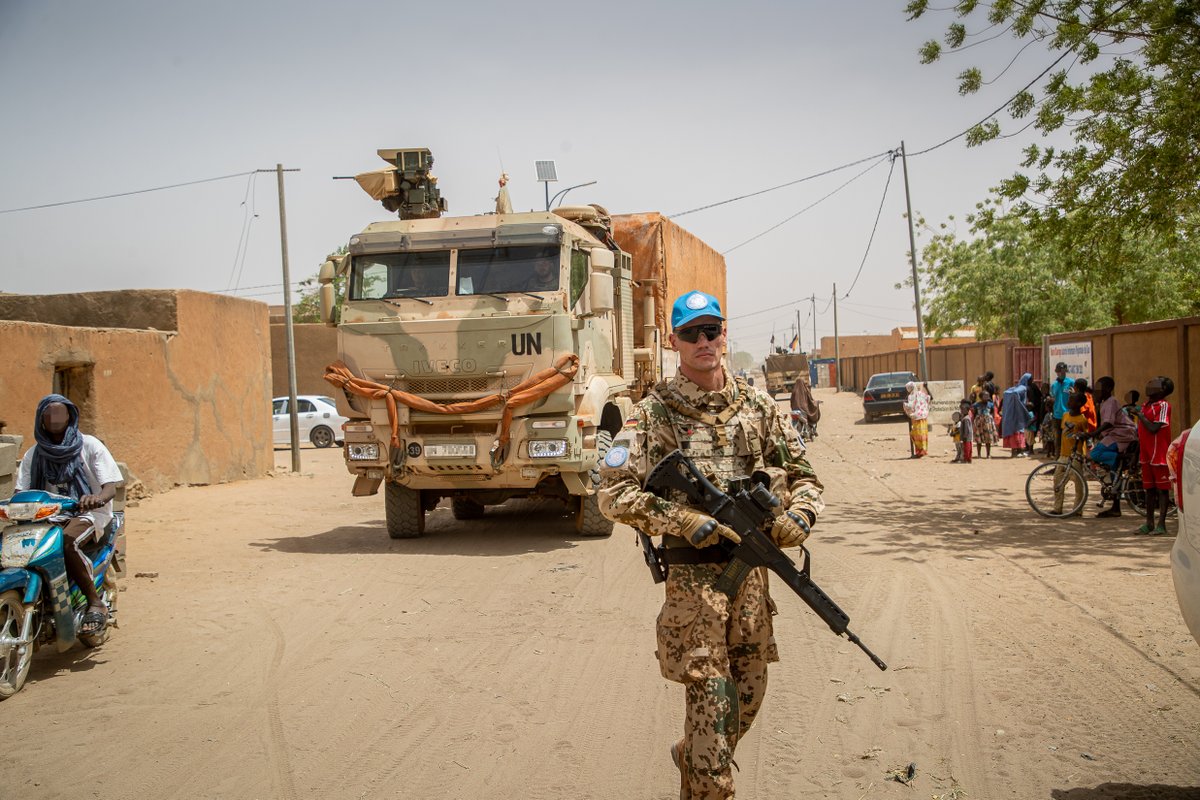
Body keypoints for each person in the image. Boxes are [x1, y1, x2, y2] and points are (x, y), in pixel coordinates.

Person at [597, 290, 823, 800]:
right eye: (692, 333)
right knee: (712, 702)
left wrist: (799, 518)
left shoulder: (760, 405)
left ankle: (694, 754)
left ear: (725, 333)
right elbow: (610, 493)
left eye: (713, 330)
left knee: (748, 694)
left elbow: (807, 476)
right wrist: (681, 518)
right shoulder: (652, 414)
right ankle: (707, 781)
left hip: (750, 580)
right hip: (693, 587)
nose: (705, 341)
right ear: (674, 341)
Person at [15, 395, 123, 634]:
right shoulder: (33, 455)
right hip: (45, 517)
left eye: (59, 413)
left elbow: (110, 486)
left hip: (89, 515)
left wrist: (96, 499)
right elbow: (19, 492)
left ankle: (95, 603)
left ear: (70, 416)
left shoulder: (90, 445)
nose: (54, 418)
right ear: (40, 418)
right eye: (48, 413)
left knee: (66, 541)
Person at [1090, 376, 1138, 518]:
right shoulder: (1104, 403)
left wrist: (1093, 433)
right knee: (1114, 474)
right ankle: (1116, 508)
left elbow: (1109, 423)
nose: (1096, 394)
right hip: (1114, 435)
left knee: (1094, 454)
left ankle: (1120, 457)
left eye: (1099, 390)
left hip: (1121, 434)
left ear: (1108, 390)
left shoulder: (1111, 402)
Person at [1134, 376, 1174, 535]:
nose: (1150, 384)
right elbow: (1142, 433)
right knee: (1149, 489)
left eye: (1156, 382)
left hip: (1159, 455)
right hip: (1146, 454)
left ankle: (1161, 525)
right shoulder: (1145, 405)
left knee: (1162, 490)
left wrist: (1140, 415)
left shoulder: (1164, 406)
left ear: (1163, 389)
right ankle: (1149, 523)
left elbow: (1153, 428)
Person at [1053, 392, 1090, 516]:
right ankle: (1057, 508)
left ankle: (1077, 509)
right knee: (1057, 480)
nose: (1069, 402)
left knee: (1078, 484)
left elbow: (1086, 436)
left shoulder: (1082, 420)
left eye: (1072, 400)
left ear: (1079, 404)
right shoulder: (1065, 415)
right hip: (1063, 454)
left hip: (1076, 455)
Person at [1000, 373, 1033, 457]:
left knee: (1016, 431)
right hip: (1018, 413)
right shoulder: (1023, 388)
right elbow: (1014, 393)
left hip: (1013, 413)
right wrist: (1020, 405)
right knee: (1018, 430)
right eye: (1030, 380)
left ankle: (1017, 451)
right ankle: (1016, 452)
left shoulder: (1016, 387)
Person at [1048, 362, 1076, 460]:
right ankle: (1057, 462)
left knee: (1068, 440)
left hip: (1068, 415)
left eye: (1063, 371)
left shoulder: (1071, 382)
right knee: (1057, 441)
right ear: (1057, 372)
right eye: (1059, 372)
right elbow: (1052, 397)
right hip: (1057, 416)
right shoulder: (1054, 385)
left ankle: (1068, 462)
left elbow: (1075, 396)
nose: (1061, 373)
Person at [902, 380, 931, 458]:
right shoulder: (921, 394)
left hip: (917, 418)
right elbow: (929, 398)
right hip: (923, 418)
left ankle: (919, 452)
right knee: (922, 434)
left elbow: (910, 406)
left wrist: (904, 405)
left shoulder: (911, 396)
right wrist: (926, 388)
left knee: (916, 435)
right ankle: (922, 451)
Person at [972, 390, 996, 458]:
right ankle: (979, 454)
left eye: (987, 396)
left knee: (988, 439)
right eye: (985, 396)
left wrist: (990, 420)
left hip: (988, 423)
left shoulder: (990, 404)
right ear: (980, 397)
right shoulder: (976, 405)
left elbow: (992, 413)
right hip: (979, 423)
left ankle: (988, 454)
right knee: (978, 439)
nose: (986, 397)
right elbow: (975, 414)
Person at [1025, 380, 1045, 455]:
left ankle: (1030, 450)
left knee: (1030, 438)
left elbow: (1033, 419)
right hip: (1036, 412)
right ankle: (1029, 449)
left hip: (1032, 423)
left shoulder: (1031, 413)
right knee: (1030, 437)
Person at [959, 399, 975, 463]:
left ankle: (966, 459)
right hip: (969, 436)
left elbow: (966, 428)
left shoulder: (965, 419)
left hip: (966, 436)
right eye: (961, 409)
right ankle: (969, 459)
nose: (961, 411)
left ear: (967, 410)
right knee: (969, 448)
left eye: (963, 410)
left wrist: (964, 436)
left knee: (966, 448)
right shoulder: (967, 417)